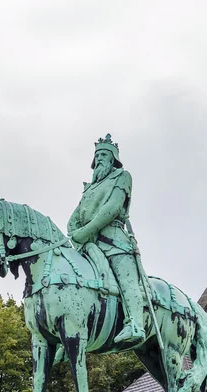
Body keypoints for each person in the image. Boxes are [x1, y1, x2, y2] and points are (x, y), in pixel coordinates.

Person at [67, 134, 146, 345]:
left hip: (115, 243)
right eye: (97, 156)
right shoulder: (89, 188)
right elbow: (75, 218)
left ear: (113, 159)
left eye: (104, 155)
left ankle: (135, 324)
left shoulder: (122, 176)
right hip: (88, 247)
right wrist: (74, 231)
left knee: (127, 281)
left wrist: (85, 232)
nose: (99, 159)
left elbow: (111, 209)